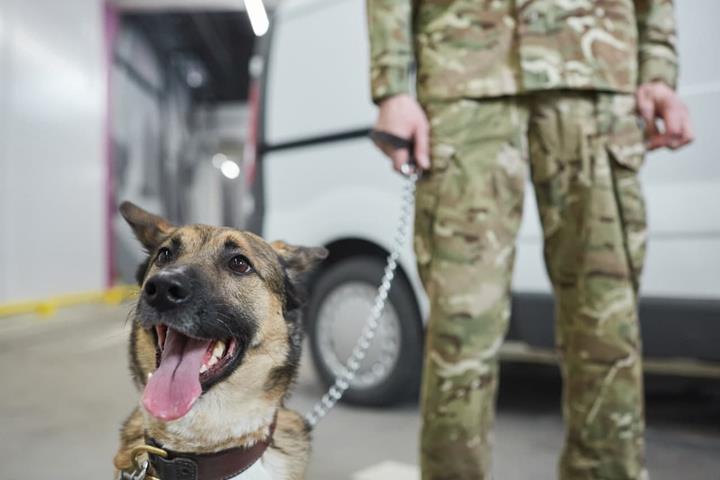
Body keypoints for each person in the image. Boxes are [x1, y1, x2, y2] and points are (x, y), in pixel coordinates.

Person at [366, 1, 693, 479]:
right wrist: (392, 85)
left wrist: (659, 68)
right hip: (467, 75)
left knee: (605, 321)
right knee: (461, 328)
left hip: (594, 73)